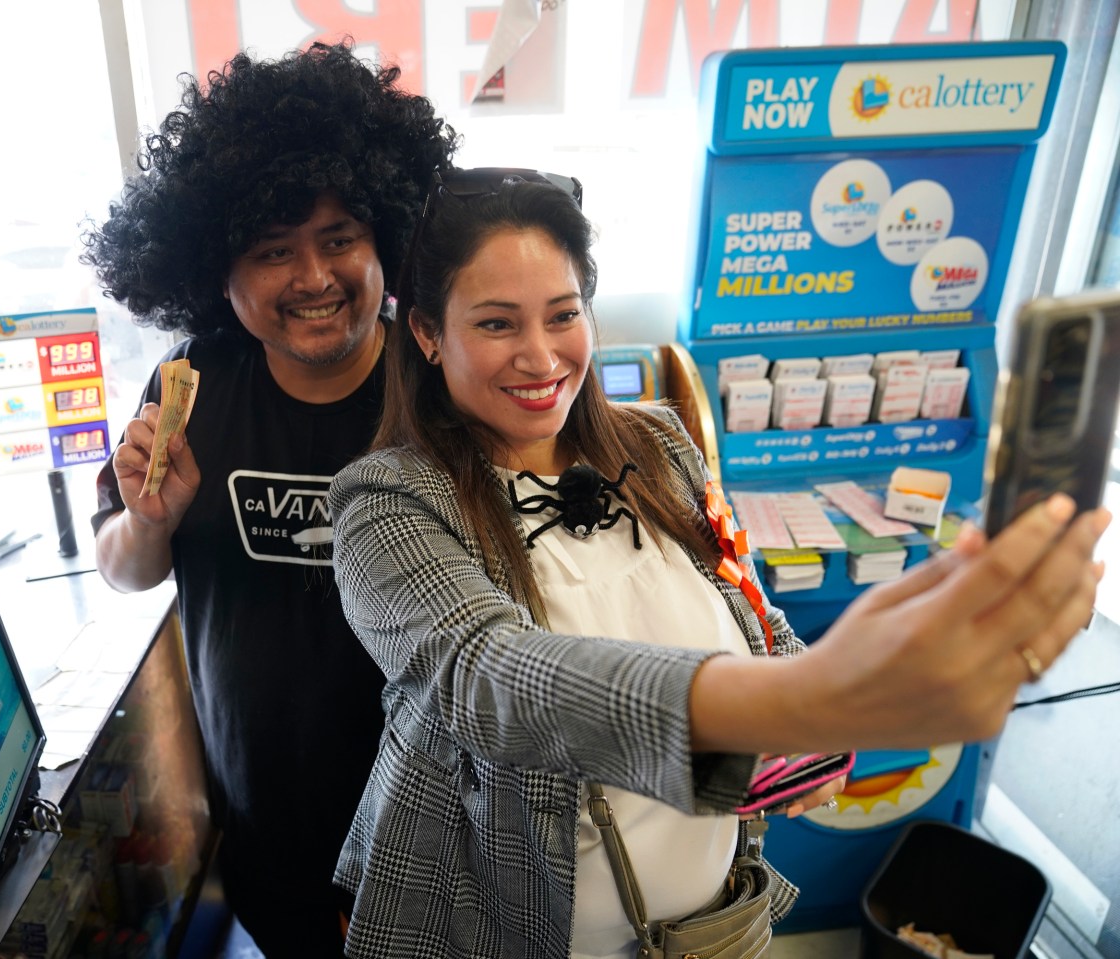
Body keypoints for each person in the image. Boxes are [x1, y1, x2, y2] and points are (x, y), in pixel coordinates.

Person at [327, 168, 1109, 958]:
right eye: (497, 324)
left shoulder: (659, 446)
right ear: (427, 333)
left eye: (563, 315)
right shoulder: (387, 501)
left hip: (712, 928)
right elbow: (490, 679)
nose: (541, 356)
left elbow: (752, 615)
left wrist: (818, 722)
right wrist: (804, 696)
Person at [80, 41, 459, 956]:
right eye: (273, 251)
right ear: (219, 271)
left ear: (390, 237)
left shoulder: (444, 383)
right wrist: (150, 519)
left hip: (436, 821)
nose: (315, 277)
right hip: (267, 819)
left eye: (340, 239)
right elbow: (126, 569)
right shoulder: (191, 384)